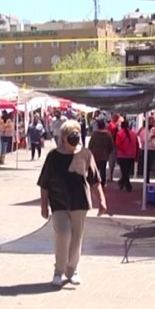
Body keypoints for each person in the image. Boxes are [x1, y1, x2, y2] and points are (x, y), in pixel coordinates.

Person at [38, 120, 107, 287]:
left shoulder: (85, 154)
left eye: (76, 134)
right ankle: (58, 270)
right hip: (59, 202)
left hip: (80, 202)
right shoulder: (54, 156)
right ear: (63, 138)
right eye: (71, 135)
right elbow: (44, 182)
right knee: (63, 233)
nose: (74, 138)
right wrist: (44, 205)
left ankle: (72, 269)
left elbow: (95, 180)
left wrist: (102, 200)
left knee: (76, 238)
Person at [88, 119, 114, 187]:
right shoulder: (108, 135)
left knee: (95, 169)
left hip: (95, 155)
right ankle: (102, 182)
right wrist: (108, 152)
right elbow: (111, 146)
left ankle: (94, 182)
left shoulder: (94, 135)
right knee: (103, 170)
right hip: (104, 155)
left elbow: (90, 145)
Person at [115, 120, 138, 192]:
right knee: (126, 171)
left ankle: (127, 185)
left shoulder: (119, 134)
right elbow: (137, 145)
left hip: (122, 155)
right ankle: (122, 183)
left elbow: (117, 144)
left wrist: (123, 150)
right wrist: (136, 154)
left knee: (124, 171)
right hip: (131, 155)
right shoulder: (134, 134)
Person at [137, 116, 155, 183]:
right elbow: (144, 139)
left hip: (153, 149)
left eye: (153, 121)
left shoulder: (153, 129)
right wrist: (152, 136)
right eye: (150, 121)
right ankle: (146, 180)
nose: (152, 123)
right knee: (146, 166)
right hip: (146, 150)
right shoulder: (143, 130)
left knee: (149, 166)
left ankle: (147, 179)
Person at [107, 113, 121, 183]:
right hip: (116, 145)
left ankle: (111, 176)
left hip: (114, 145)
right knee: (114, 161)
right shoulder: (113, 125)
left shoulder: (112, 125)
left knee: (112, 161)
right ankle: (111, 176)